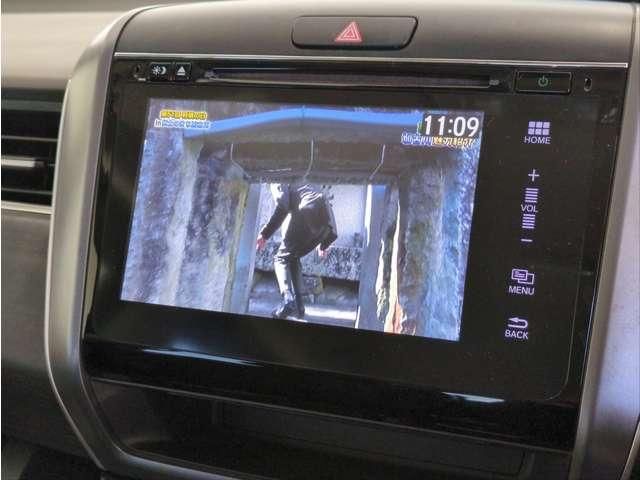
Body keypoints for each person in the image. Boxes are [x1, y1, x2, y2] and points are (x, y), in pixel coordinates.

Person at [256, 183, 337, 319]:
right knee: (293, 256)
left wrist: (265, 233)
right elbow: (320, 198)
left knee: (280, 259)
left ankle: (288, 300)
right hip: (327, 222)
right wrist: (325, 243)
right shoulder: (303, 175)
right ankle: (299, 307)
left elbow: (283, 206)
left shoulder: (278, 177)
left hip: (306, 211)